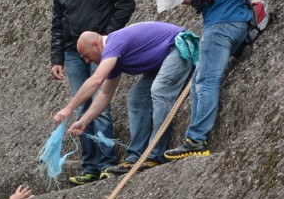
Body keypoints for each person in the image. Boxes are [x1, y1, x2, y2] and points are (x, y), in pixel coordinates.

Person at [144, 0, 251, 159]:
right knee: (198, 81)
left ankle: (197, 140)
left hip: (224, 23)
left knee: (205, 80)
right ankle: (195, 139)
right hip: (219, 22)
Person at [54, 23, 198, 173]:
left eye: (86, 56)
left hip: (179, 48)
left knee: (159, 89)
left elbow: (96, 80)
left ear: (96, 45)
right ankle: (135, 157)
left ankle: (155, 155)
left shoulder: (113, 43)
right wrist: (84, 121)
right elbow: (105, 95)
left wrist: (68, 109)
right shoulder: (113, 56)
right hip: (163, 60)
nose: (86, 61)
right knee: (136, 98)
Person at [51, 0, 136, 185]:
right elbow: (57, 25)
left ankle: (107, 162)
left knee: (100, 105)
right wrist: (57, 59)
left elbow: (126, 2)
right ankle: (90, 166)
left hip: (99, 49)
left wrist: (107, 35)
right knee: (81, 107)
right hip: (71, 53)